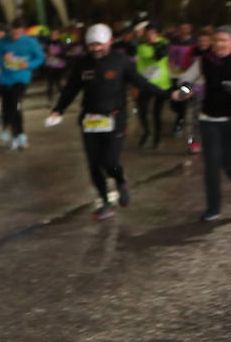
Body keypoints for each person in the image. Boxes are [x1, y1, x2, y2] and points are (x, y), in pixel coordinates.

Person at [46, 23, 173, 220]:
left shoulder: (120, 60)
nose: (96, 49)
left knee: (110, 161)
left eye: (100, 45)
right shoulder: (83, 64)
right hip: (89, 120)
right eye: (92, 45)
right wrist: (58, 110)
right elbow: (71, 89)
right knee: (94, 165)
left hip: (114, 118)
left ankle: (121, 181)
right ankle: (105, 202)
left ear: (109, 42)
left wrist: (167, 94)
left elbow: (141, 82)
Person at [172, 26, 231, 221]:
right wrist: (184, 90)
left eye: (224, 40)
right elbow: (186, 79)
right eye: (217, 40)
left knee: (228, 164)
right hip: (209, 119)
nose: (220, 44)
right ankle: (213, 207)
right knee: (212, 164)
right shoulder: (206, 60)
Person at [0, 17, 45, 149]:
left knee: (15, 103)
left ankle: (20, 134)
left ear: (23, 31)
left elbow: (40, 57)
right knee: (8, 106)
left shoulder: (30, 42)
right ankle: (15, 135)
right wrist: (2, 58)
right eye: (13, 33)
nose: (15, 36)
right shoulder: (2, 42)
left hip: (21, 79)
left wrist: (29, 64)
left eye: (18, 33)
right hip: (6, 79)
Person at [135, 24, 172, 148]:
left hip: (161, 83)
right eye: (149, 32)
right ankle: (146, 132)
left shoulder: (164, 42)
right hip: (145, 83)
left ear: (157, 33)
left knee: (157, 113)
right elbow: (142, 59)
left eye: (153, 32)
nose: (151, 34)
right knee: (142, 110)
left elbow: (159, 56)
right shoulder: (141, 45)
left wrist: (155, 42)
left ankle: (157, 137)